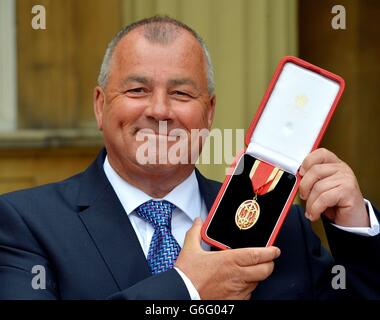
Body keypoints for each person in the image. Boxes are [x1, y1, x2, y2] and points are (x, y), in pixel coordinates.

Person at [0, 16, 379, 300]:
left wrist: (354, 227)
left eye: (181, 94)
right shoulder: (24, 225)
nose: (160, 110)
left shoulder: (282, 225)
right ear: (100, 106)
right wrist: (188, 288)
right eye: (137, 89)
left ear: (209, 112)